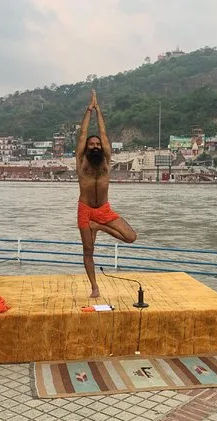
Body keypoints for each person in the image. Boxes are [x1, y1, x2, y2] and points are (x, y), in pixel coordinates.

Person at [76, 90, 137, 298]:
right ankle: (94, 286)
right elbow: (83, 134)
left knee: (131, 237)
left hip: (103, 210)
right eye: (91, 144)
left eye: (97, 144)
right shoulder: (81, 161)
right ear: (86, 148)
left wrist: (99, 111)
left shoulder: (106, 160)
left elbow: (103, 134)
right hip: (85, 210)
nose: (94, 146)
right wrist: (88, 111)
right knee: (88, 251)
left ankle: (99, 227)